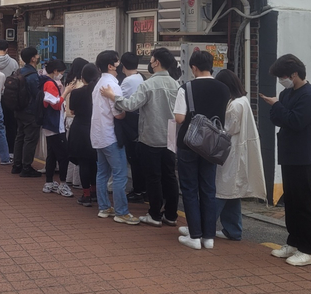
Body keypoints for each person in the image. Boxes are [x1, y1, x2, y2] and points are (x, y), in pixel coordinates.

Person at [102, 47, 179, 227]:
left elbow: (130, 105)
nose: (150, 63)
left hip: (150, 136)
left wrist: (113, 97)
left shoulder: (148, 85)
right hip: (170, 137)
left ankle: (154, 214)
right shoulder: (176, 84)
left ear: (156, 62)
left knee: (153, 177)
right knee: (170, 176)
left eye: (151, 60)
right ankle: (171, 215)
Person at [260, 54, 311, 267]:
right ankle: (293, 243)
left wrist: (277, 106)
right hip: (288, 154)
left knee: (303, 202)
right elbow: (277, 118)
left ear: (294, 74)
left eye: (283, 76)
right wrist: (278, 108)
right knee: (292, 202)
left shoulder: (310, 95)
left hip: (304, 156)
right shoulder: (286, 94)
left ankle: (307, 249)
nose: (281, 81)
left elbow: (295, 121)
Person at [173, 50, 231, 250]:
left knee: (190, 189)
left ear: (194, 68)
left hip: (189, 144)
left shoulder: (186, 88)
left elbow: (179, 118)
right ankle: (208, 236)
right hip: (212, 146)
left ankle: (194, 235)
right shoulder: (224, 89)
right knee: (208, 188)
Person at [212, 69, 267, 241]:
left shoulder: (235, 105)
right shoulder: (243, 100)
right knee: (232, 194)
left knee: (220, 191)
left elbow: (228, 129)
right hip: (236, 152)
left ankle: (202, 227)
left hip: (231, 153)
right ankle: (233, 230)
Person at [91, 51, 139, 225]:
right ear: (111, 66)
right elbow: (118, 114)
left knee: (102, 173)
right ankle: (121, 212)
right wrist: (127, 110)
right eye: (117, 62)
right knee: (120, 174)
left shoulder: (99, 83)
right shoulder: (113, 86)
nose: (120, 64)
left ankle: (104, 207)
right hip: (111, 135)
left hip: (98, 134)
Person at [40, 59, 76, 197]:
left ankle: (49, 182)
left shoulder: (43, 81)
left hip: (49, 124)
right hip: (54, 124)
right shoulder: (50, 83)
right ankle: (63, 184)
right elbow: (55, 104)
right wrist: (66, 92)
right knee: (63, 156)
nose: (61, 74)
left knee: (52, 154)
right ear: (55, 71)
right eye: (61, 72)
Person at [115, 52, 146, 203]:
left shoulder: (127, 81)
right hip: (140, 121)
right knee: (139, 159)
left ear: (123, 65)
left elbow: (119, 100)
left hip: (130, 122)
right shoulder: (141, 77)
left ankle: (138, 190)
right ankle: (142, 189)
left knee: (134, 159)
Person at [68, 63, 100, 206]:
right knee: (94, 162)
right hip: (95, 129)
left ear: (82, 77)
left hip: (79, 129)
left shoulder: (76, 93)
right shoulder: (99, 92)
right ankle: (94, 192)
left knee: (83, 163)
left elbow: (72, 111)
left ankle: (86, 194)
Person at [12, 47, 43, 178]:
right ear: (33, 58)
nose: (38, 56)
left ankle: (17, 165)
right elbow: (38, 95)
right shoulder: (32, 75)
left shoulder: (19, 72)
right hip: (30, 111)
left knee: (20, 136)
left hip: (19, 109)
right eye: (37, 55)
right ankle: (26, 167)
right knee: (30, 139)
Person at [63, 57, 88, 188]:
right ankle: (77, 181)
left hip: (68, 117)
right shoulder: (81, 84)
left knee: (71, 149)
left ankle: (69, 177)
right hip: (76, 119)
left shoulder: (69, 80)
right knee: (79, 151)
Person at [0, 40, 19, 158]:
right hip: (10, 96)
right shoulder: (13, 63)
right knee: (11, 123)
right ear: (7, 49)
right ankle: (11, 150)